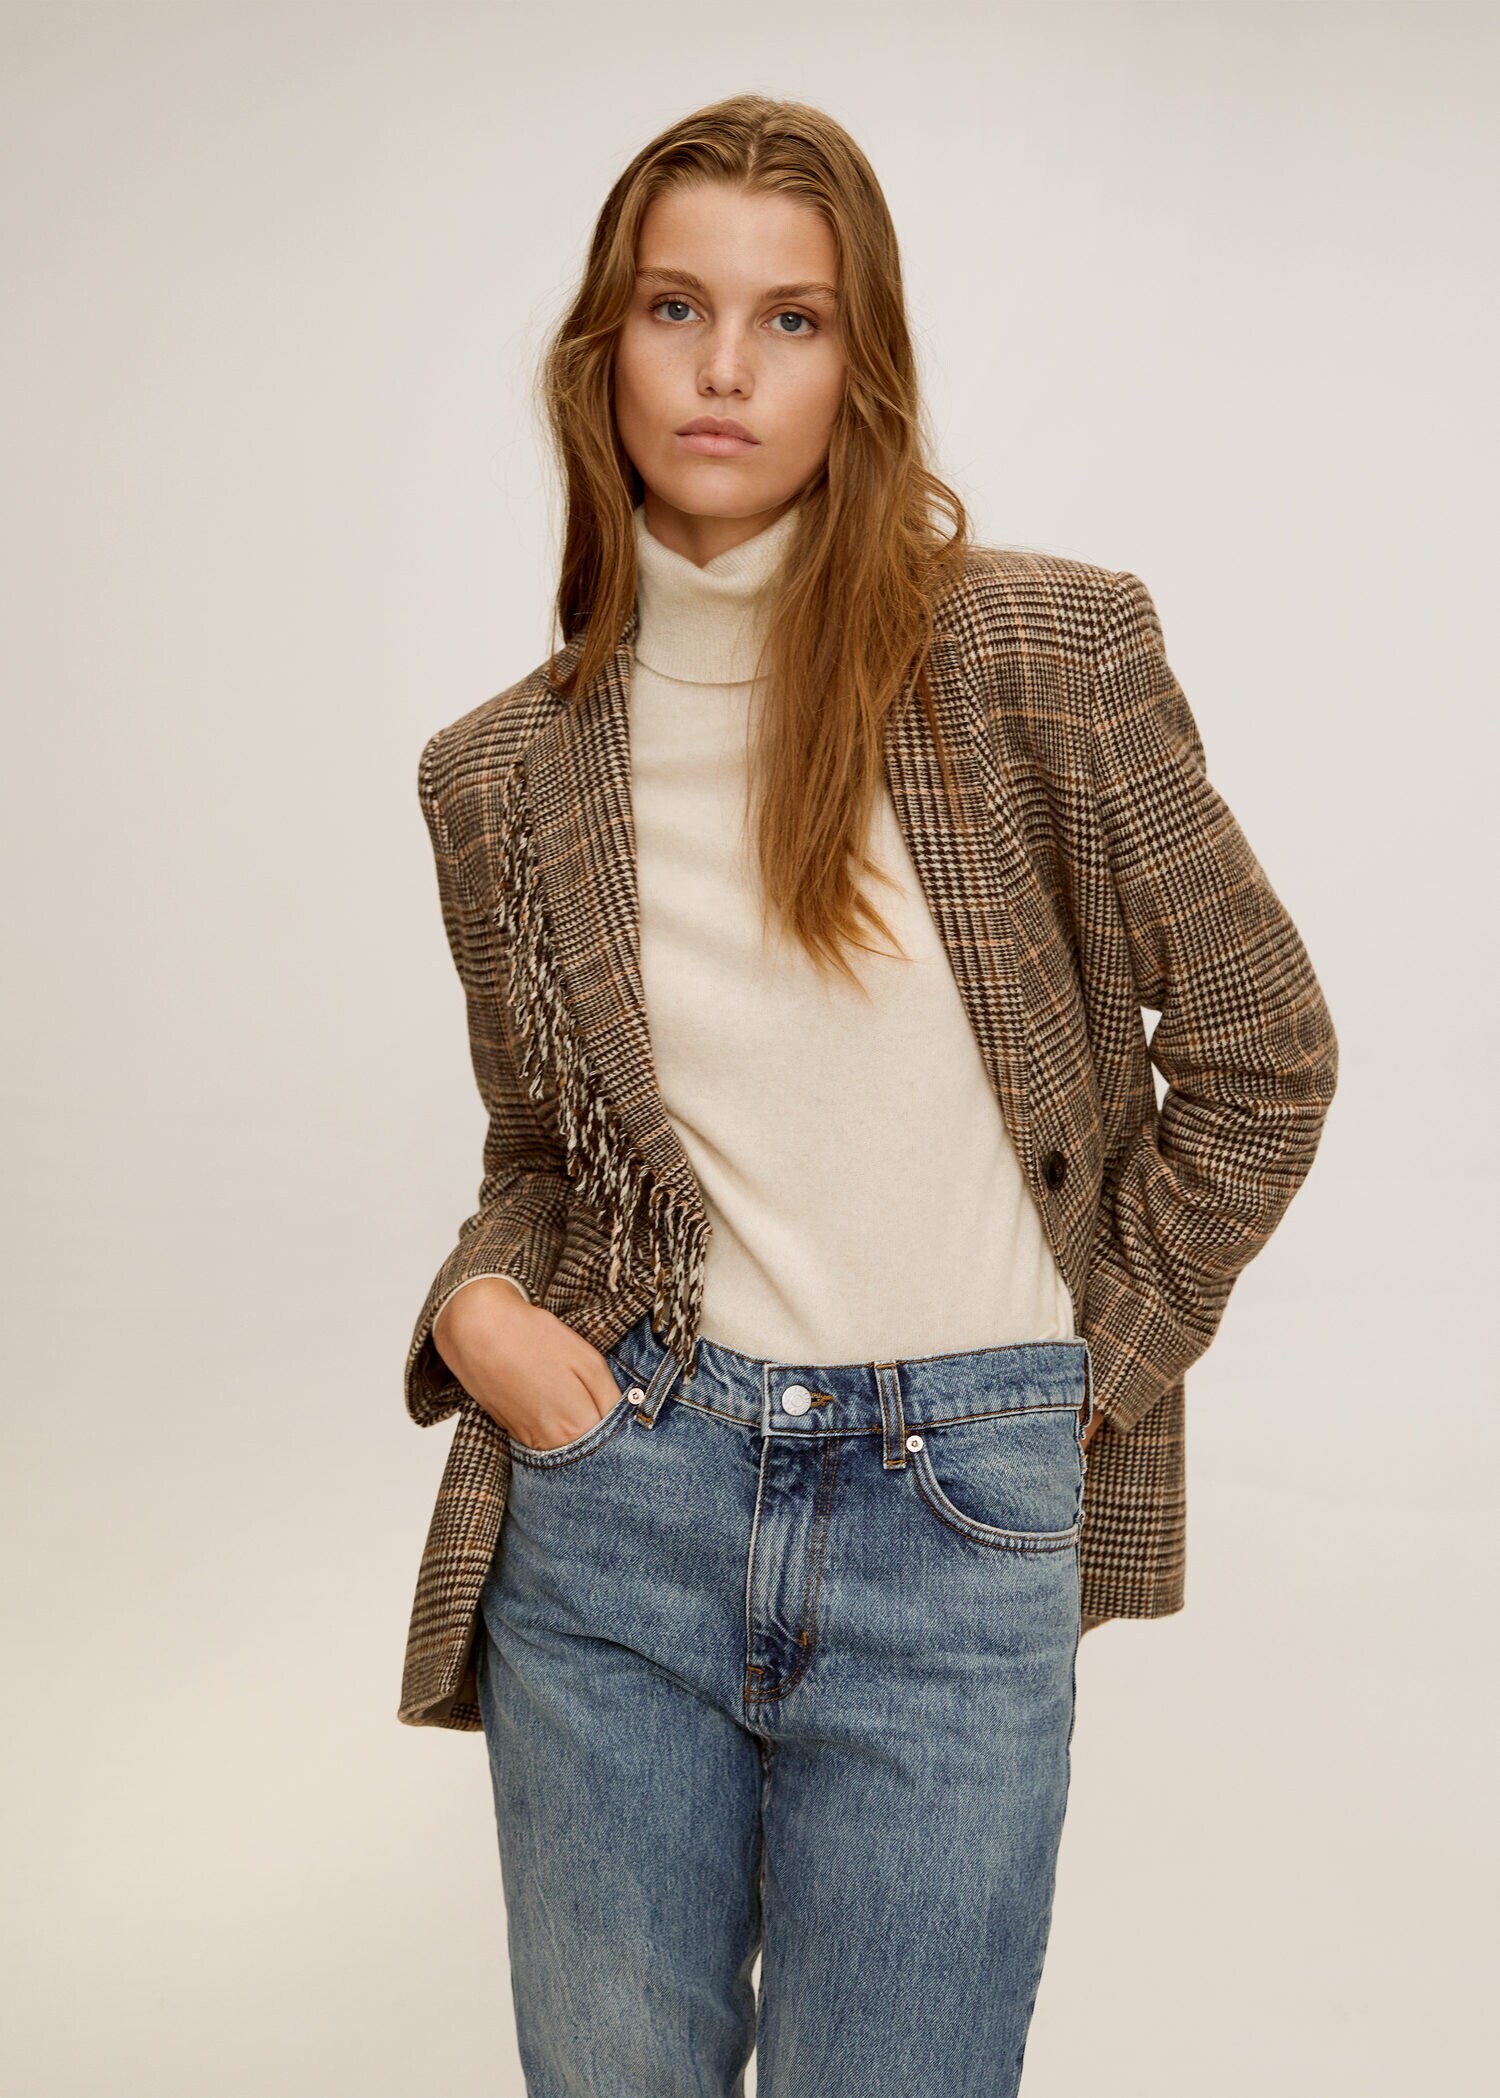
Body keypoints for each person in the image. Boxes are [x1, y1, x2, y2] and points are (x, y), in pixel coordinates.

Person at [400, 93, 1338, 2098]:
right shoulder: (498, 774)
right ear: (604, 347)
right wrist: (477, 1308)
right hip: (623, 1502)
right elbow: (549, 1156)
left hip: (956, 1515)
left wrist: (1080, 1382)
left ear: (862, 363)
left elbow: (1265, 1049)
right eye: (677, 306)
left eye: (792, 318)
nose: (725, 369)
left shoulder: (1037, 655)